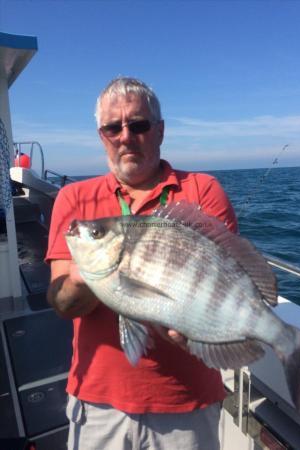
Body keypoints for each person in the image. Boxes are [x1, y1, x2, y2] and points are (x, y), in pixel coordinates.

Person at [46, 77, 238, 450]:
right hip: (99, 404)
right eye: (112, 127)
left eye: (138, 124)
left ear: (160, 130)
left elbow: (226, 281)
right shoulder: (74, 200)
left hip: (188, 405)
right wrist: (93, 272)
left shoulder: (203, 190)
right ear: (101, 135)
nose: (125, 136)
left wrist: (197, 328)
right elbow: (64, 306)